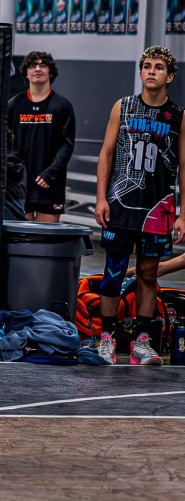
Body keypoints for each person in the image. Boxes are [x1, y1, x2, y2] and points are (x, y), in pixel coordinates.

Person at [93, 46, 185, 366]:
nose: (151, 71)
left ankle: (142, 340)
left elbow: (183, 167)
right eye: (146, 66)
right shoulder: (124, 106)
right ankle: (106, 337)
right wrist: (101, 198)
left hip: (157, 207)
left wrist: (183, 214)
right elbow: (106, 154)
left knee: (148, 272)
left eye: (158, 67)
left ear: (169, 76)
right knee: (113, 271)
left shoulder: (178, 115)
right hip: (121, 203)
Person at [7, 51, 76, 222]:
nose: (37, 69)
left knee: (45, 235)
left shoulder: (62, 106)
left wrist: (50, 174)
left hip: (50, 184)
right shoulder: (13, 105)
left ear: (50, 72)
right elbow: (5, 145)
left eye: (42, 65)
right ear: (26, 73)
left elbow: (66, 145)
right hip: (19, 185)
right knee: (21, 235)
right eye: (32, 66)